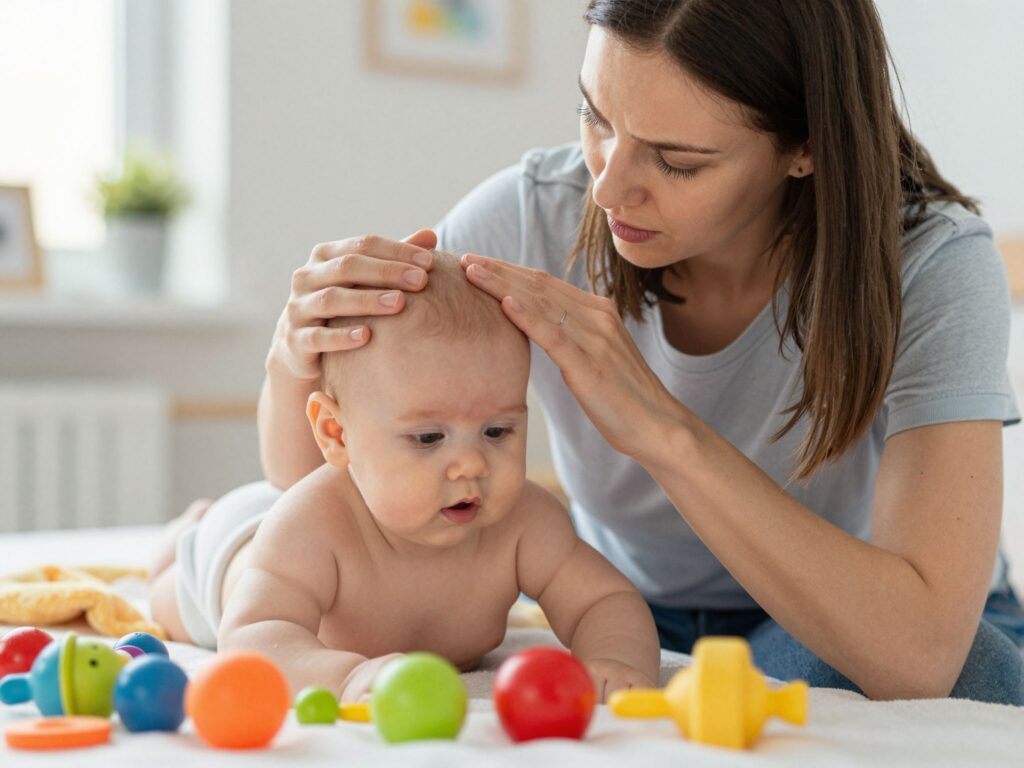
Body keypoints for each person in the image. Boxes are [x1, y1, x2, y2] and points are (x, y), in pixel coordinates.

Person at [249, 0, 1024, 705]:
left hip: (858, 623)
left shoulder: (930, 266)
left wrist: (661, 429)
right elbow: (326, 493)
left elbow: (919, 655)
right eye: (596, 119)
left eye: (677, 161)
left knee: (963, 680)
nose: (608, 188)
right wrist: (294, 356)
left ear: (805, 149)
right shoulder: (525, 220)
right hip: (630, 608)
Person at [149, 252, 660, 702]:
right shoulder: (313, 525)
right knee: (171, 598)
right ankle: (183, 534)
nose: (472, 465)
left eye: (497, 430)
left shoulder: (526, 523)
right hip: (238, 542)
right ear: (337, 433)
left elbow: (605, 601)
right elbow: (253, 636)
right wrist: (347, 677)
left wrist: (616, 659)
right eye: (428, 439)